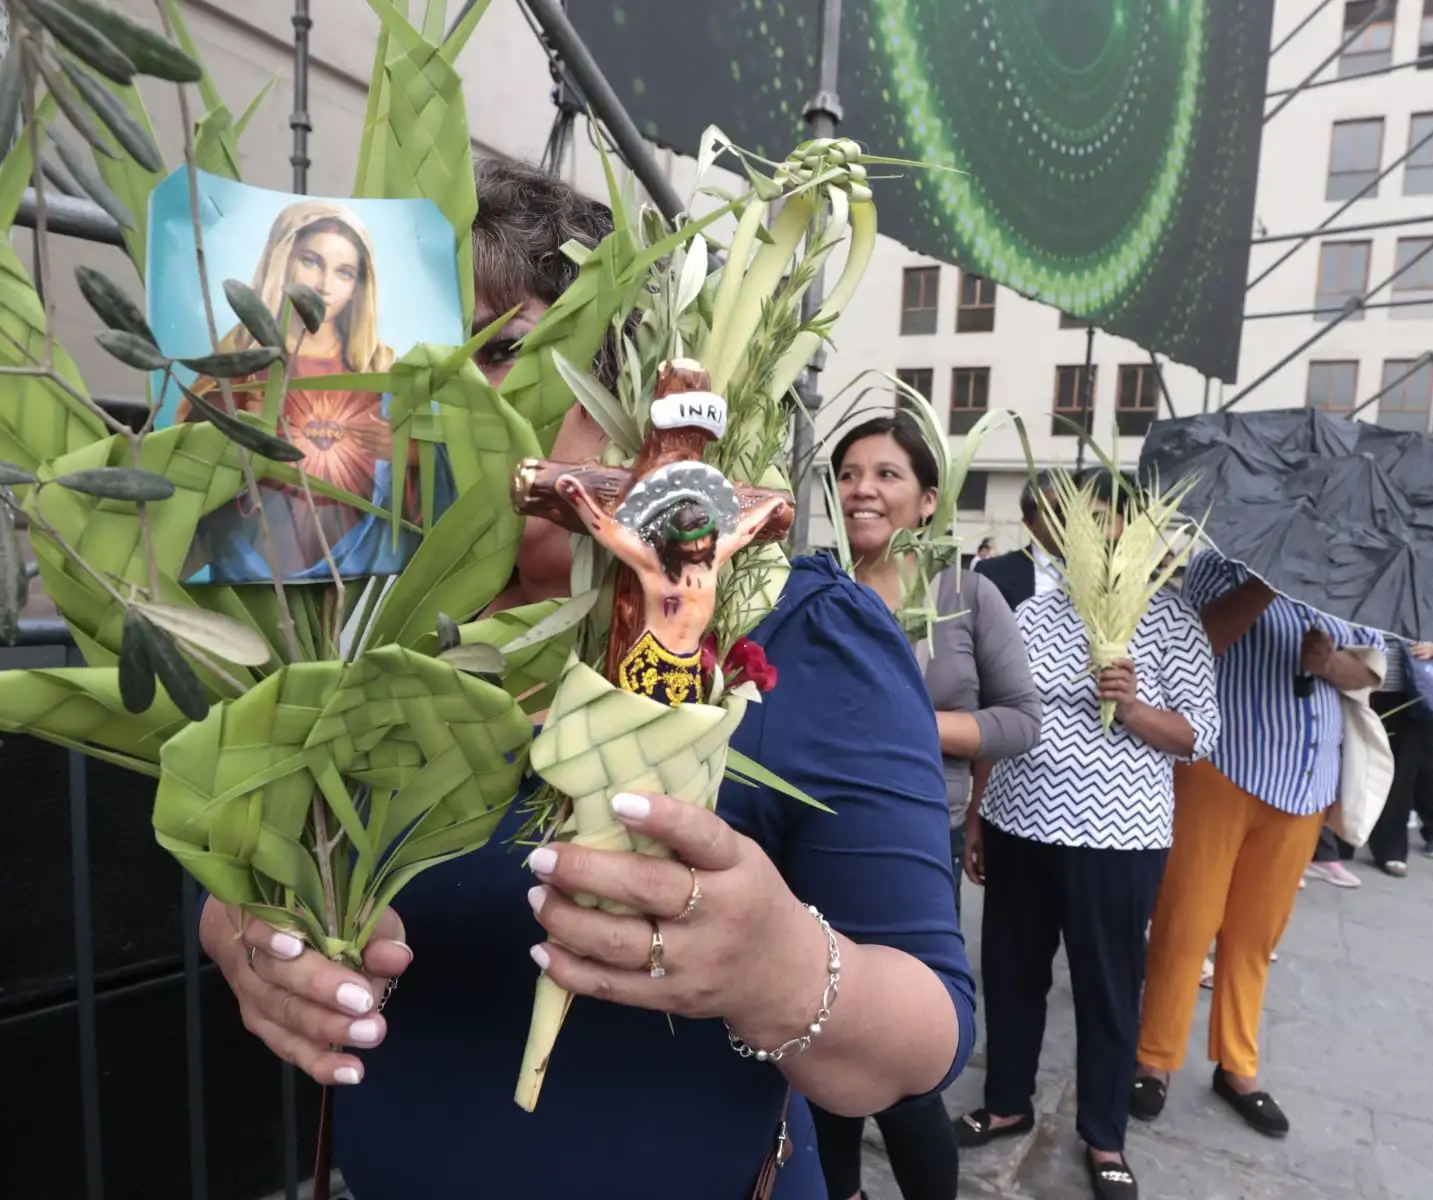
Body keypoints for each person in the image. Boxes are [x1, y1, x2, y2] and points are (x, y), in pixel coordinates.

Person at [197, 154, 977, 1200]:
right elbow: (226, 847)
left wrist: (780, 971)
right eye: (423, 357)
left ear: (624, 376)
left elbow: (929, 1035)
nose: (454, 400)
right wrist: (242, 930)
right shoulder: (343, 612)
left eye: (511, 349)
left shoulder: (801, 631)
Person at [957, 474, 1218, 1200]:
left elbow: (1198, 736)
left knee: (1109, 989)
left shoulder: (1170, 620)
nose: (1092, 539)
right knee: (1010, 974)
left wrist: (1132, 706)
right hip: (1019, 822)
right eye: (1078, 524)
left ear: (1135, 532)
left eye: (1106, 523)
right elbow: (1000, 719)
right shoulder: (1034, 615)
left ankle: (1104, 1134)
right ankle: (1007, 1100)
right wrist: (978, 812)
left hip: (1119, 839)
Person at [813, 416, 1041, 1200]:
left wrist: (912, 719)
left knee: (904, 1060)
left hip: (918, 843)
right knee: (817, 1031)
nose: (862, 489)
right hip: (816, 836)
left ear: (926, 500)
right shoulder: (816, 588)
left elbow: (1020, 719)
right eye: (848, 473)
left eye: (886, 474)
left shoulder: (968, 596)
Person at [1131, 553, 1381, 1140]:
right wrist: (1268, 583)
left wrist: (1330, 663)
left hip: (1306, 784)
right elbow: (1192, 644)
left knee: (1256, 935)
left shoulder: (1355, 575)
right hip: (1222, 769)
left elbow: (1371, 673)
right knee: (1185, 921)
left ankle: (1238, 1066)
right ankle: (1154, 1056)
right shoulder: (1222, 565)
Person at [181, 200, 419, 583]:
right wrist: (237, 432)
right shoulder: (241, 356)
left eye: (344, 273)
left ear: (360, 285)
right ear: (283, 260)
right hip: (257, 559)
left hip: (357, 567)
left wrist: (408, 452)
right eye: (311, 261)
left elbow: (430, 475)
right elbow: (186, 458)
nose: (324, 286)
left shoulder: (380, 366)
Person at [1365, 638, 1433, 875]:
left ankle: (1391, 849)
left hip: (1408, 689)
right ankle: (1340, 842)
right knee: (1353, 766)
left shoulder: (1428, 603)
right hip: (1359, 684)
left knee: (1402, 773)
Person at [974, 473, 1061, 611]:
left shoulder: (1103, 573)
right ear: (1029, 523)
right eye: (1056, 510)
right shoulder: (992, 574)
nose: (1065, 518)